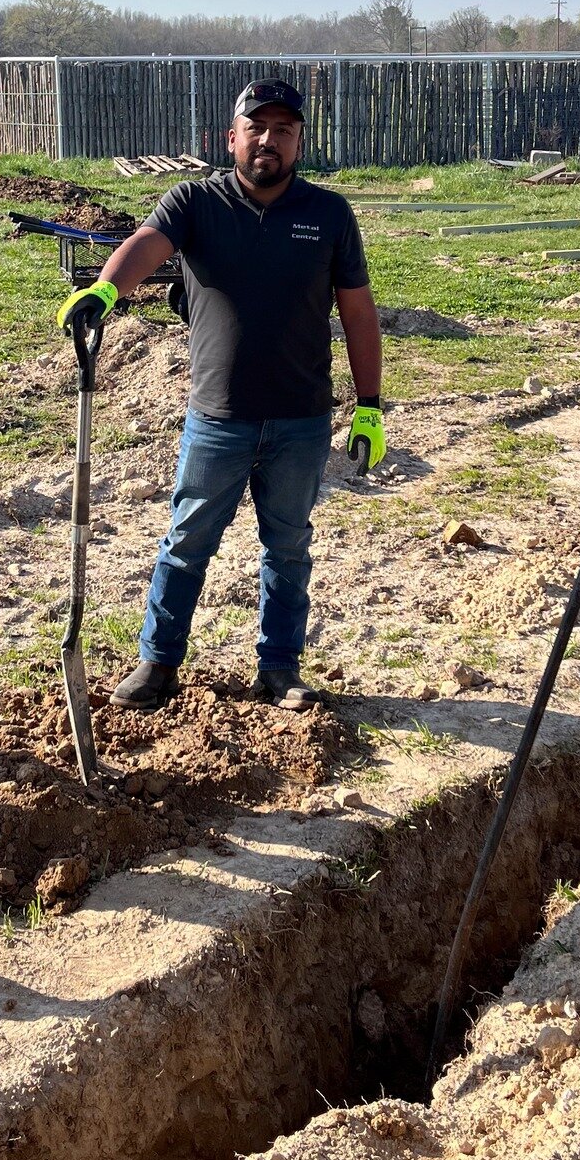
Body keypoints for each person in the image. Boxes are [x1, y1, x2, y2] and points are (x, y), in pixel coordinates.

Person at [59, 77, 384, 712]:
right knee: (187, 543)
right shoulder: (195, 203)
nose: (270, 140)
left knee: (288, 547)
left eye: (284, 130)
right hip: (219, 418)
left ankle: (280, 669)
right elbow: (144, 247)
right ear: (230, 137)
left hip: (301, 419)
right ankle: (158, 663)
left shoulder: (328, 215)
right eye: (256, 128)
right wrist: (105, 291)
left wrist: (368, 405)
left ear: (299, 142)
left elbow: (359, 314)